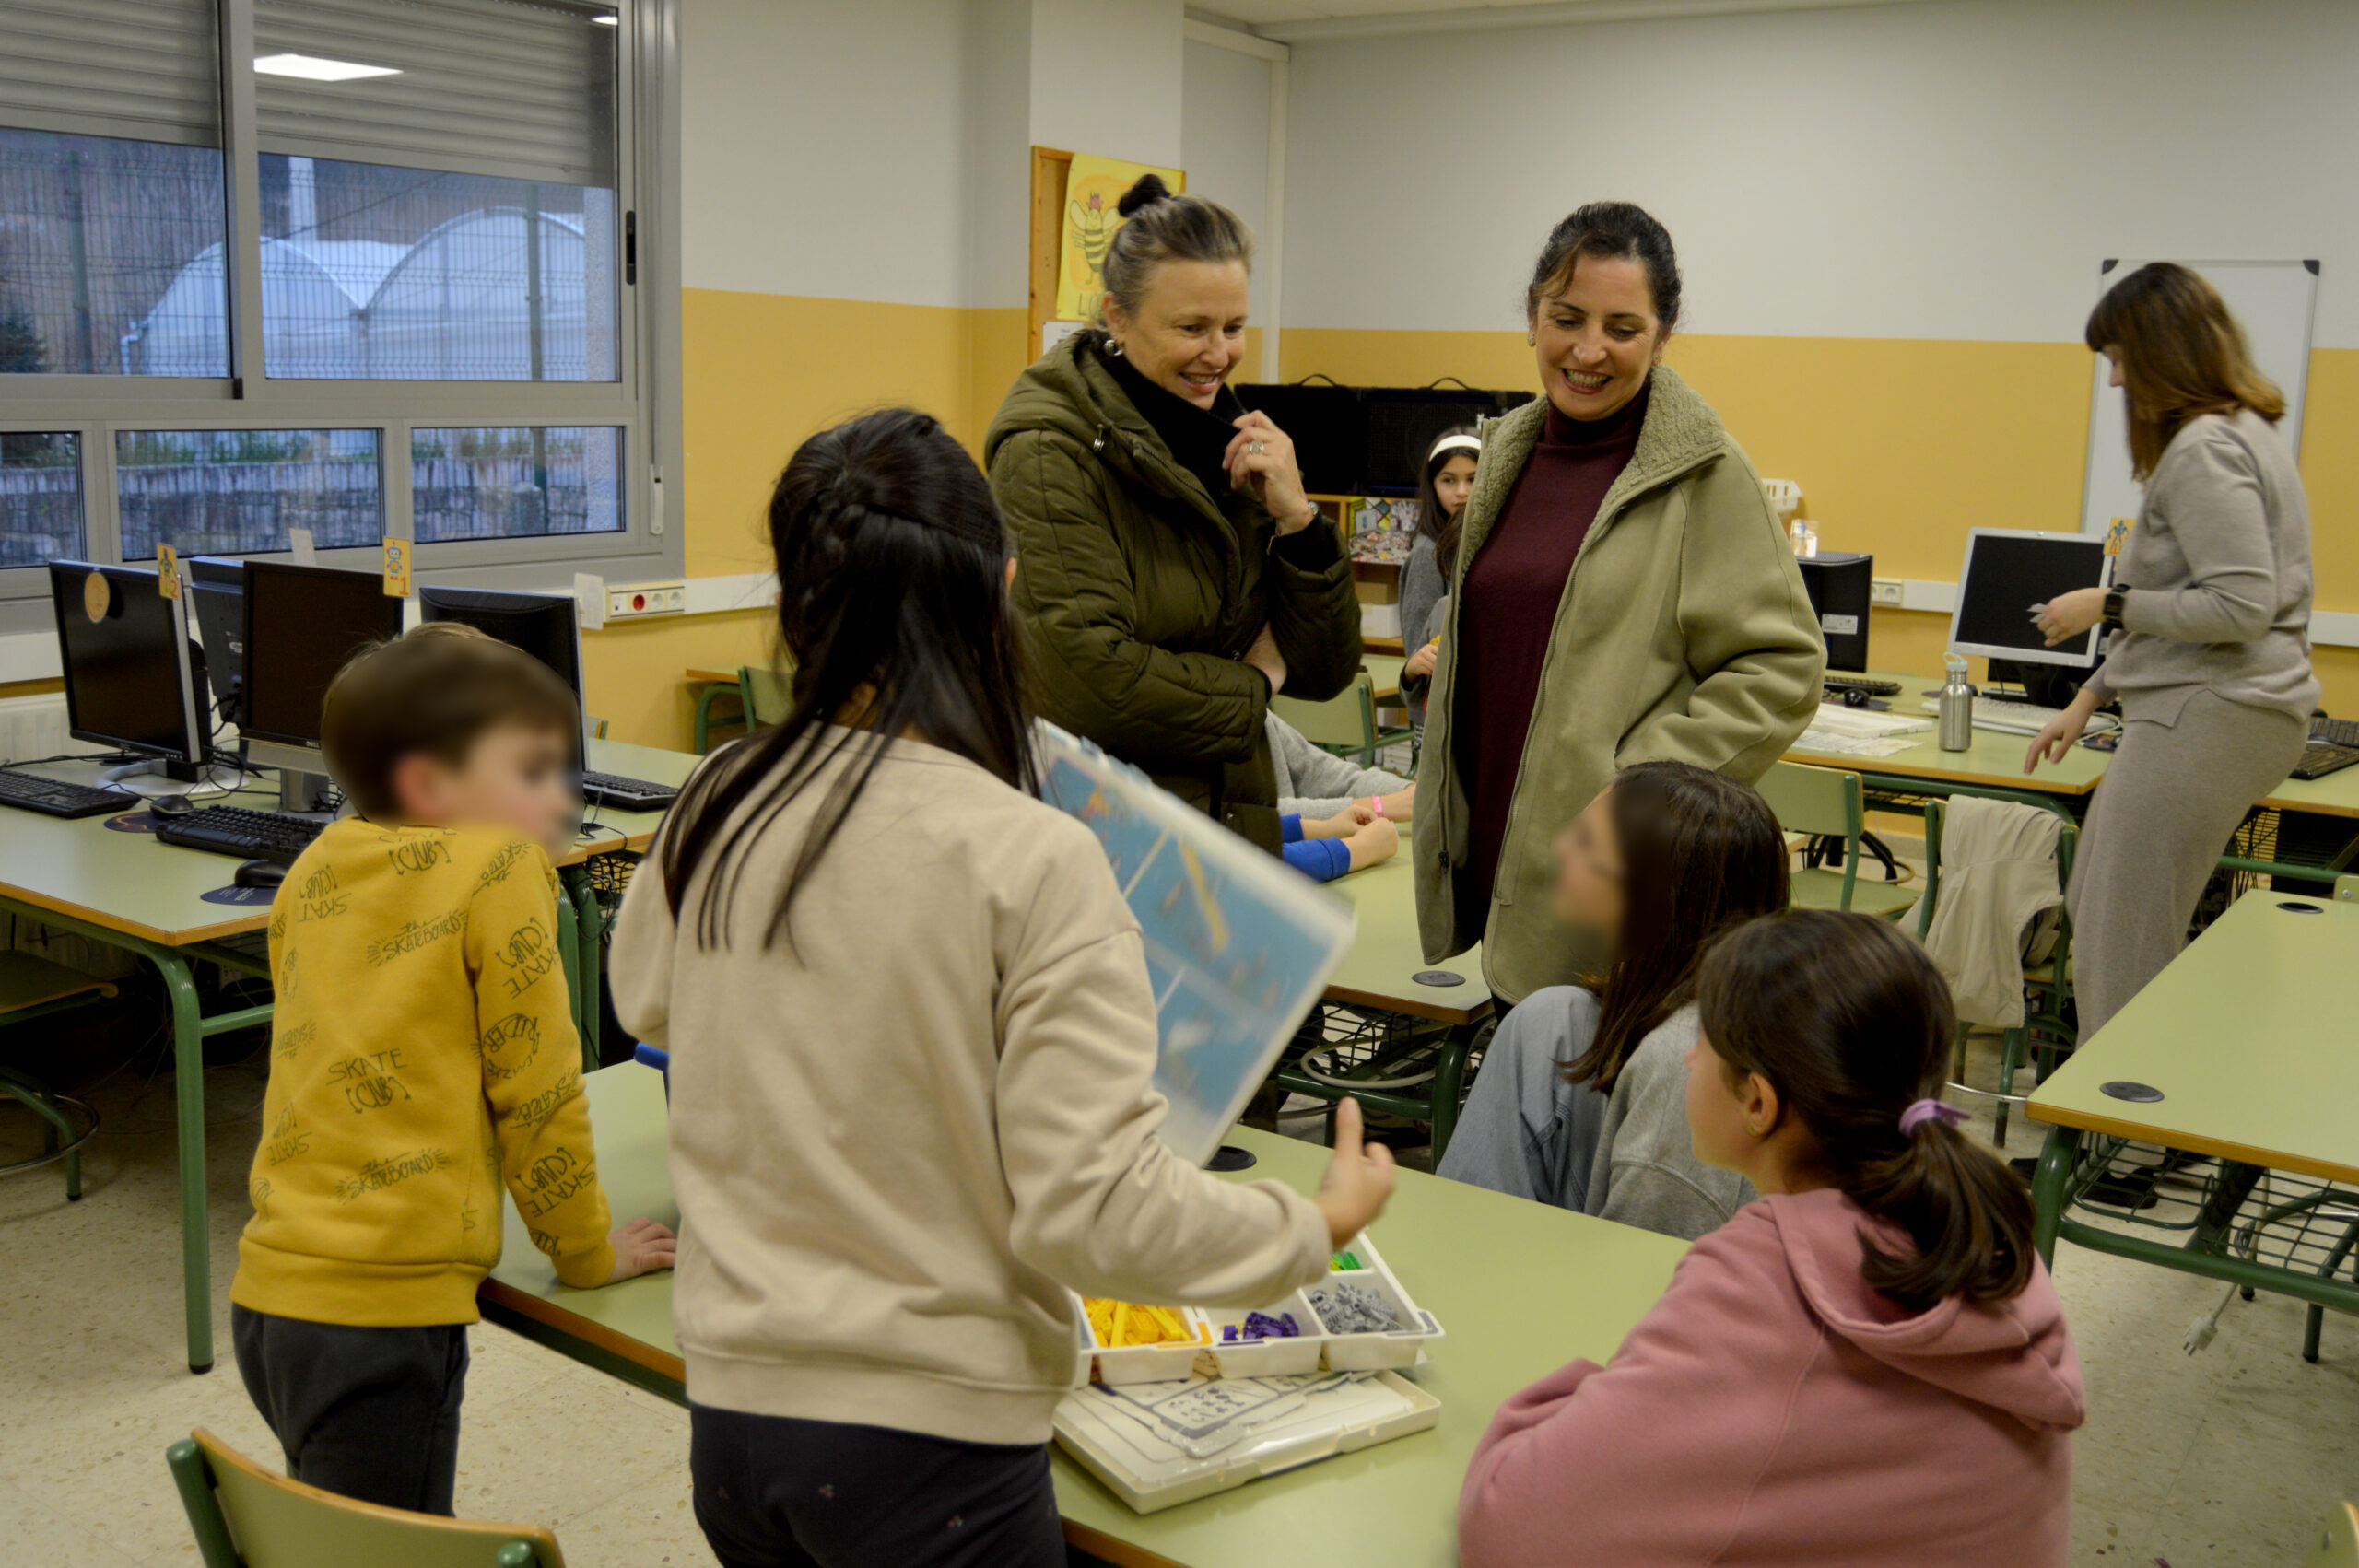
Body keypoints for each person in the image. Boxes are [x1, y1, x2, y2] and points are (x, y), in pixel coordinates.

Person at [608, 409, 1396, 1568]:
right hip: (928, 1449)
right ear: (1002, 592)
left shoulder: (721, 794)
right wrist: (1311, 1226)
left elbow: (645, 1000)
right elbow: (1094, 1212)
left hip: (734, 1419)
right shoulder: (1030, 853)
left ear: (794, 601)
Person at [1460, 911, 2084, 1568]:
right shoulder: (1984, 1238)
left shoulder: (1764, 1281)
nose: (1688, 1056)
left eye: (1702, 1039)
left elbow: (1506, 1523)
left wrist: (1592, 1392)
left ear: (1758, 1103)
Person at [229, 624, 675, 1515]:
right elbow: (539, 1094)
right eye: (532, 772)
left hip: (271, 1297)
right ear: (431, 784)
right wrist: (587, 1254)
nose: (561, 797)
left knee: (337, 1534)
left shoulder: (315, 864)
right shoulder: (501, 868)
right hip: (383, 1321)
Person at [1414, 201, 1825, 1006]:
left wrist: (1639, 791)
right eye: (1567, 318)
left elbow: (1784, 669)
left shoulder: (1705, 474)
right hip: (1497, 857)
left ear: (1662, 336)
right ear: (1532, 315)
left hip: (1608, 877)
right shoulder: (1506, 454)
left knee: (1587, 1076)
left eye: (1623, 328)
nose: (1589, 350)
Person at [987, 174, 1361, 856]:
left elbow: (1325, 670)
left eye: (1234, 327)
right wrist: (1253, 684)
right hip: (1103, 841)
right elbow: (1085, 680)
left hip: (1222, 826)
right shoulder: (1047, 450)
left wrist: (1300, 521)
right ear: (1117, 317)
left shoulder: (1231, 442)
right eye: (1192, 328)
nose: (1219, 354)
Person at [2025, 263, 2319, 1040]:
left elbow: (2239, 607)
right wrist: (2090, 697)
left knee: (2120, 936)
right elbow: (2186, 605)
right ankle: (2131, 1094)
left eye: (2121, 359)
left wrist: (2106, 602)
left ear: (2162, 353)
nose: (2116, 381)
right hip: (2224, 707)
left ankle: (2123, 1111)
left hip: (2213, 709)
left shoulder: (2203, 450)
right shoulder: (2242, 433)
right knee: (2097, 901)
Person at [1438, 761, 1787, 1239]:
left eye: (1585, 842)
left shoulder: (1682, 1066)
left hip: (1651, 1274)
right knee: (1551, 1020)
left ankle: (1462, 1250)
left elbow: (1646, 1271)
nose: (1561, 848)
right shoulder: (1677, 1006)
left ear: (1650, 889)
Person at [1398, 427, 1480, 735]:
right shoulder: (1427, 555)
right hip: (1438, 719)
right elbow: (1418, 657)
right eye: (1448, 480)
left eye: (1473, 478)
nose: (1461, 491)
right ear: (1432, 485)